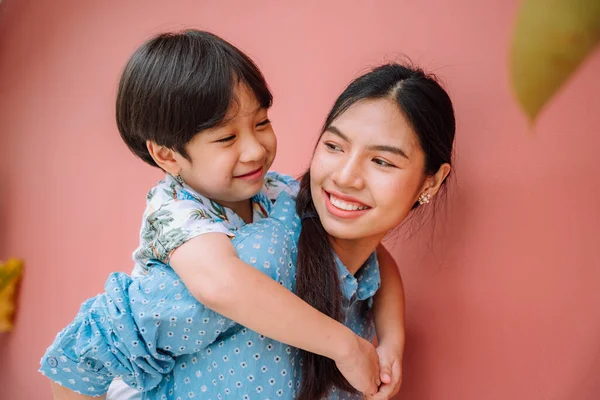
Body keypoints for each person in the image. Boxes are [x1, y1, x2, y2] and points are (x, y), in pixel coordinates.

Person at [40, 31, 408, 399]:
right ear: (168, 156)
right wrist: (343, 345)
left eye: (261, 123)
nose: (253, 150)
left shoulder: (277, 192)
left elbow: (374, 257)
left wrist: (391, 341)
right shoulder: (174, 210)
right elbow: (223, 286)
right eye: (226, 139)